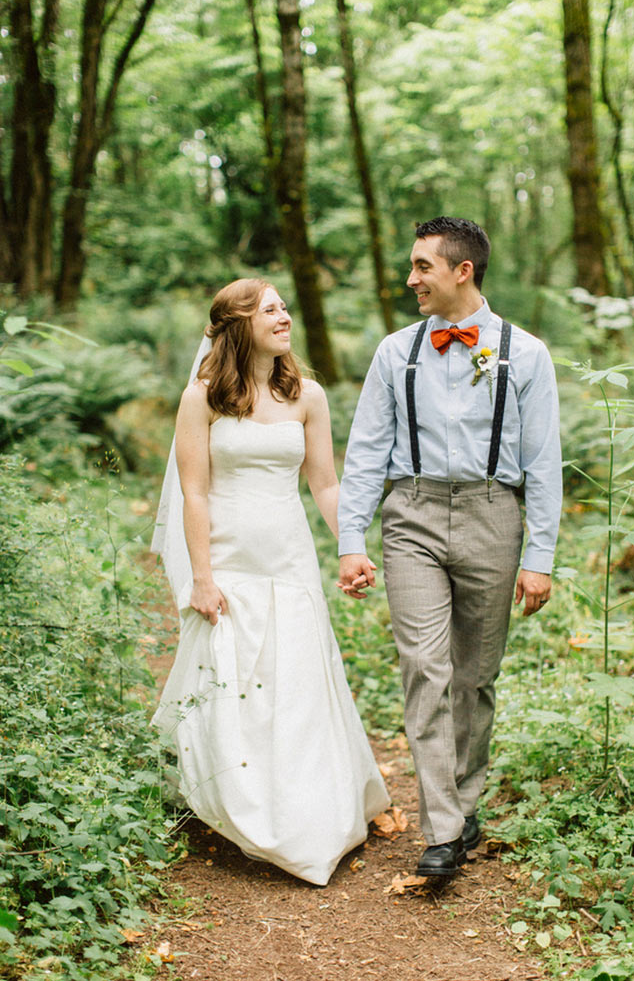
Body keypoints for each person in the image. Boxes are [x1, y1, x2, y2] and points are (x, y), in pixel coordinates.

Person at [337, 217, 562, 878]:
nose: (411, 279)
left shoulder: (525, 353)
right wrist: (353, 539)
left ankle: (462, 808)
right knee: (424, 669)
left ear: (462, 271)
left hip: (495, 516)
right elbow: (367, 452)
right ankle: (440, 830)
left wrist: (538, 556)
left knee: (475, 678)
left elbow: (543, 461)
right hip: (412, 515)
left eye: (422, 267)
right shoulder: (393, 353)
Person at [151, 278, 389, 886]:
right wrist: (201, 577)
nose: (285, 316)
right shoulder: (203, 398)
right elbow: (194, 491)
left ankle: (309, 811)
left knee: (298, 680)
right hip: (228, 561)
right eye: (270, 309)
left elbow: (326, 485)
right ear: (238, 325)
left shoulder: (307, 395)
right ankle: (239, 806)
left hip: (289, 559)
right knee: (232, 679)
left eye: (286, 305)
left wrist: (352, 545)